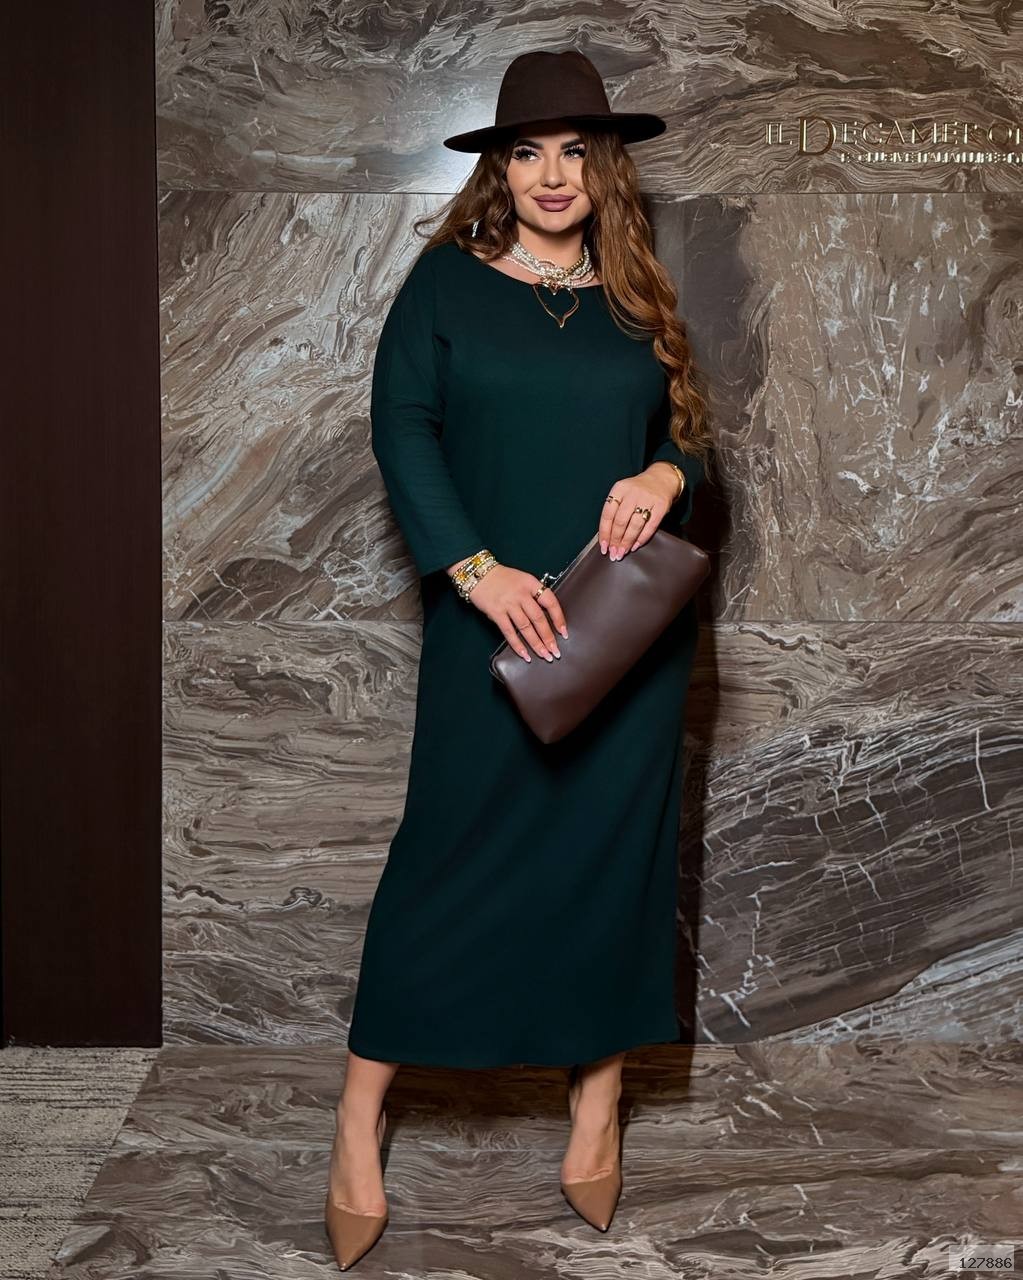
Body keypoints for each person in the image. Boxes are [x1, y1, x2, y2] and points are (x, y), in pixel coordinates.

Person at [324, 48, 714, 1271]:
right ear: (500, 168)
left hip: (623, 645)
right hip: (488, 626)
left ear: (606, 168)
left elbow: (695, 443)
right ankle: (357, 1120)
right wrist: (475, 571)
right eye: (529, 151)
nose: (553, 174)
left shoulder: (637, 298)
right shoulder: (445, 284)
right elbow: (401, 426)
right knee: (444, 861)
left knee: (610, 866)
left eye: (576, 152)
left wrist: (665, 476)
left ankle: (596, 1108)